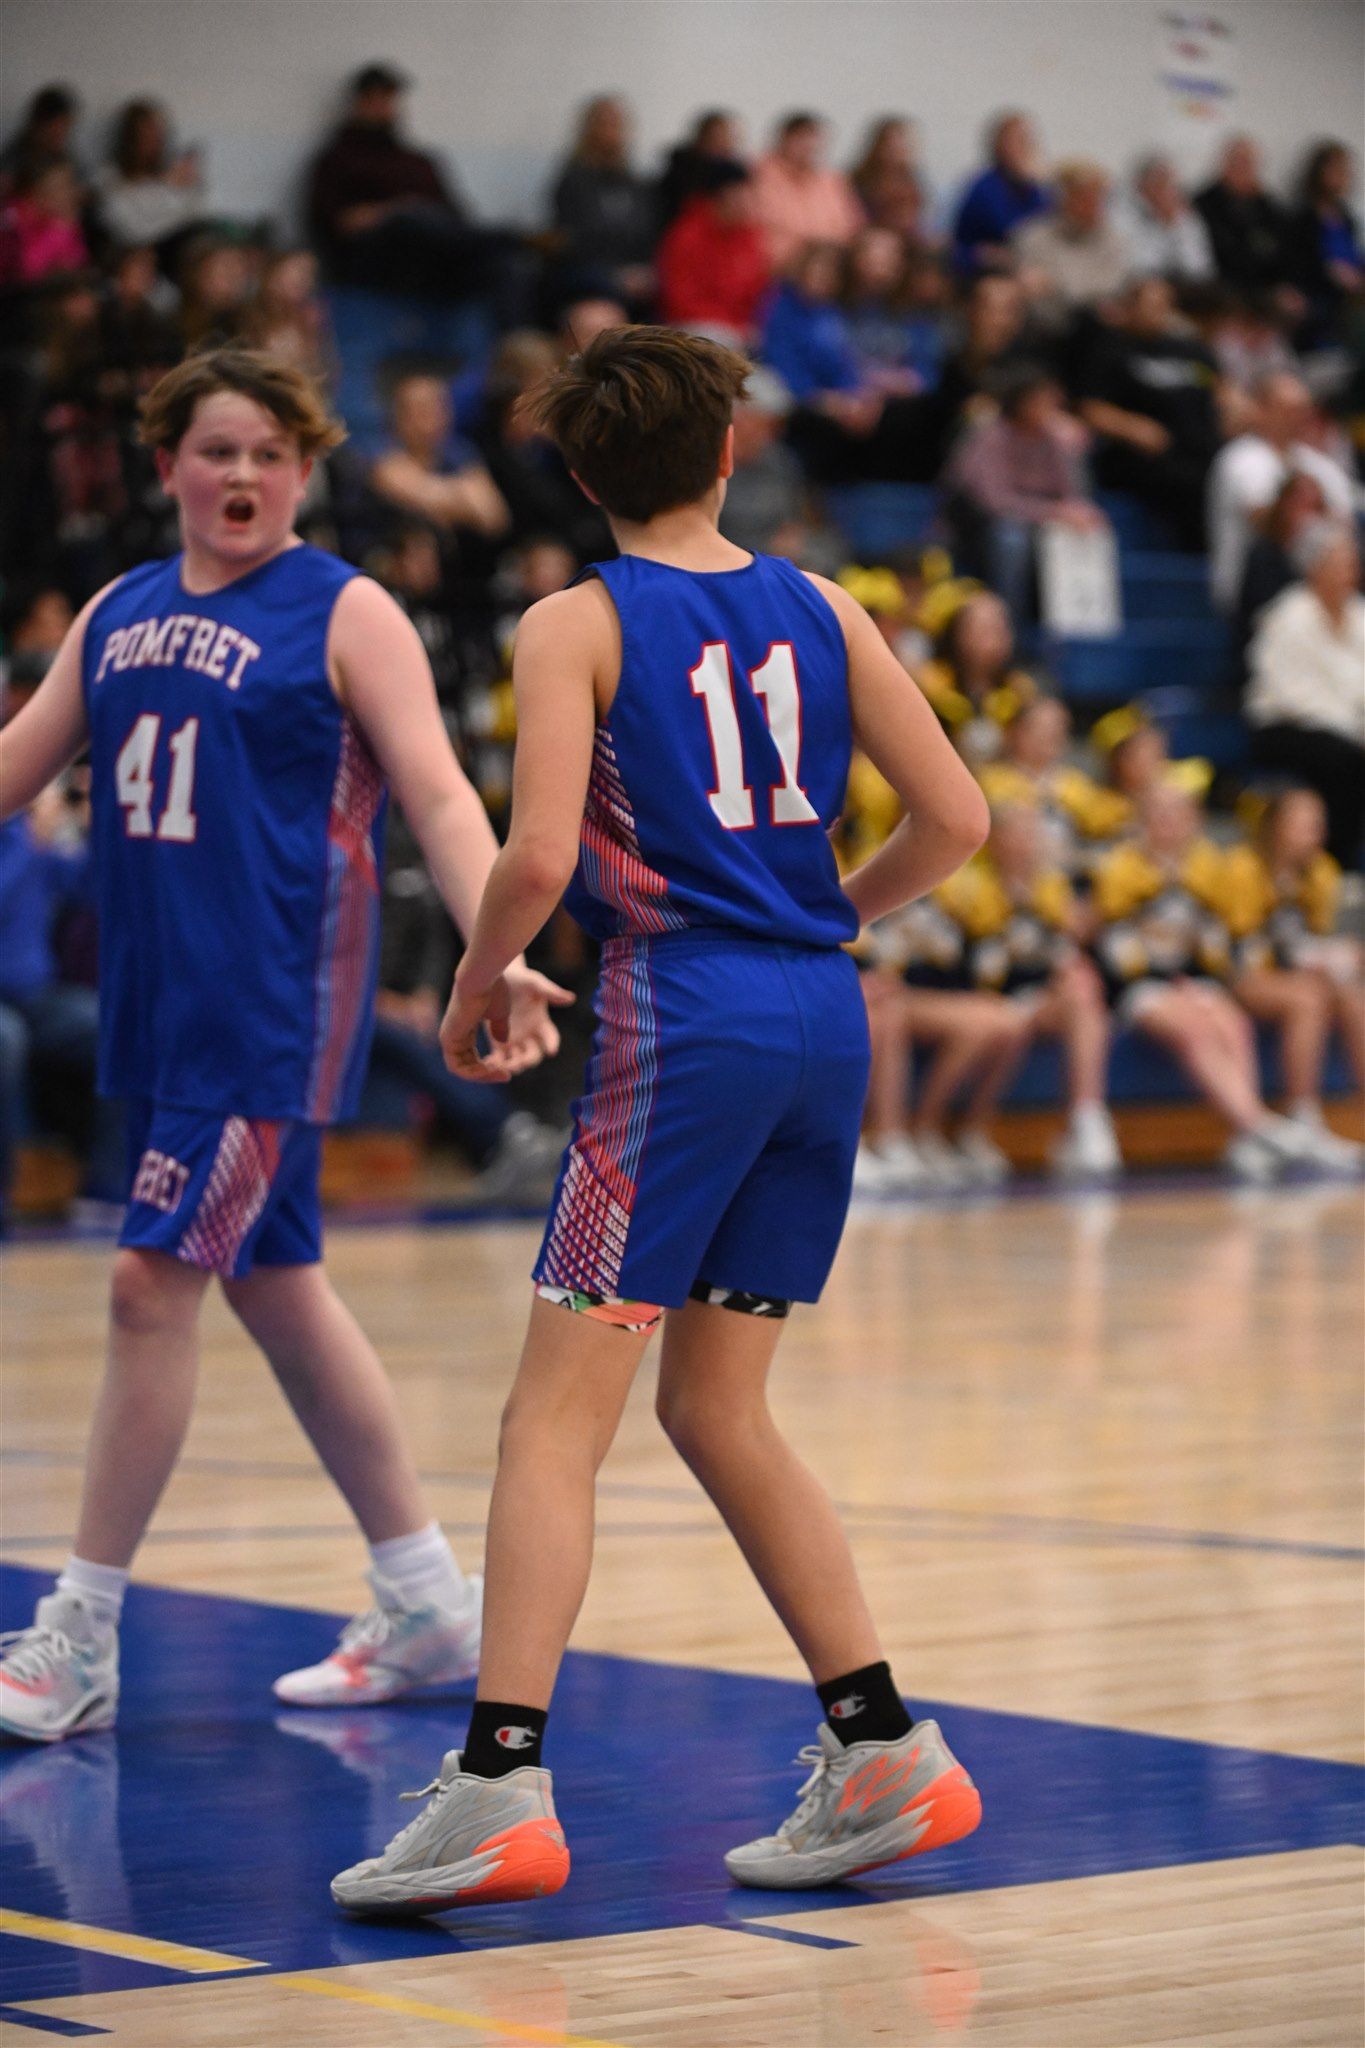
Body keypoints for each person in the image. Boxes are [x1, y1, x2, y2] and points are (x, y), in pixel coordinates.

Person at [330, 324, 989, 1915]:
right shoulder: (825, 606)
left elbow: (539, 857)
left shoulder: (575, 620)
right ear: (729, 451)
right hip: (819, 1022)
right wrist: (820, 918)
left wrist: (477, 979)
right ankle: (883, 1746)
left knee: (551, 1422)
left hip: (682, 1023)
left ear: (574, 473)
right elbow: (959, 818)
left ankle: (498, 1783)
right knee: (716, 1407)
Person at [0, 348, 571, 1742]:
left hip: (269, 1003)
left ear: (307, 470)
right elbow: (15, 766)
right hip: (160, 1007)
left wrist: (498, 949)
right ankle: (425, 1597)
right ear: (167, 467)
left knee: (147, 1288)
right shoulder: (120, 610)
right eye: (216, 450)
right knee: (276, 1287)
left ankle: (80, 1632)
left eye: (269, 452)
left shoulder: (345, 608)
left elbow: (441, 795)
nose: (242, 474)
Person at [1090, 784, 1322, 1180]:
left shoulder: (1208, 868)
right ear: (1142, 820)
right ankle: (1258, 1125)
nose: (1168, 824)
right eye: (1159, 814)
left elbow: (1217, 942)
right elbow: (1113, 946)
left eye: (1177, 814)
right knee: (1194, 1029)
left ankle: (1246, 1140)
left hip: (1192, 979)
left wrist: (1199, 970)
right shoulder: (1119, 867)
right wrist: (1164, 973)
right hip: (1139, 987)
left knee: (1233, 1022)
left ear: (1193, 821)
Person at [1221, 788, 1363, 1169]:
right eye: (1305, 825)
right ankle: (1303, 1116)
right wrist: (1308, 957)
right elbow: (1239, 948)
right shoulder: (1242, 868)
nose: (1316, 834)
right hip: (1240, 975)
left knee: (1353, 996)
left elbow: (1316, 936)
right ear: (1275, 826)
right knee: (1308, 999)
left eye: (1319, 825)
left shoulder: (1322, 872)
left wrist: (1334, 955)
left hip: (1293, 973)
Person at [1245, 521, 1365, 869]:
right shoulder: (1288, 615)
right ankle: (1337, 863)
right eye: (1340, 564)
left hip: (1348, 728)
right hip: (1285, 725)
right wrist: (1354, 731)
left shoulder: (1359, 614)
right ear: (1315, 568)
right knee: (1343, 760)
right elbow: (1291, 694)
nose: (1349, 573)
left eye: (1352, 564)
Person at [1077, 274, 1223, 550]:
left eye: (1165, 304)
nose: (1160, 311)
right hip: (1144, 454)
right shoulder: (1111, 350)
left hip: (1200, 449)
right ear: (1130, 307)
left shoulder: (1192, 352)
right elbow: (1091, 409)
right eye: (1152, 304)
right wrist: (1133, 427)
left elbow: (1220, 389)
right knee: (1193, 482)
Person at [1204, 371, 1358, 610]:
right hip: (1254, 597)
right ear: (1260, 410)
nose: (1298, 418)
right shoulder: (1240, 458)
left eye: (1303, 409)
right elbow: (1268, 524)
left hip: (1321, 597)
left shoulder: (1322, 466)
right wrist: (1311, 510)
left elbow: (1345, 524)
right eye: (1288, 409)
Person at [548, 96, 657, 309]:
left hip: (635, 271)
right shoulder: (573, 181)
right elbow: (572, 240)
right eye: (603, 124)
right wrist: (615, 273)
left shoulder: (638, 185)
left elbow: (647, 234)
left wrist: (642, 269)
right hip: (588, 275)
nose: (610, 133)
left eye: (616, 125)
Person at [655, 159, 771, 344]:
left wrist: (750, 324)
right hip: (693, 327)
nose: (746, 202)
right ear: (719, 197)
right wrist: (731, 325)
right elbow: (680, 300)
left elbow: (759, 291)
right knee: (720, 339)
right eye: (739, 195)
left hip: (740, 329)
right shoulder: (687, 236)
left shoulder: (750, 237)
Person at [1010, 161, 1133, 331]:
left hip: (1096, 329)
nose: (1091, 206)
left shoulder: (1114, 241)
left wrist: (1054, 287)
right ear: (1062, 200)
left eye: (1097, 198)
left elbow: (1108, 290)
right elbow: (1031, 294)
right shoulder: (1031, 237)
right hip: (1043, 330)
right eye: (1081, 197)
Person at [751, 112, 863, 271]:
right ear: (784, 139)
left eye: (813, 139)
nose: (809, 146)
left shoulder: (832, 180)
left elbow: (851, 228)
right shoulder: (758, 175)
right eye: (801, 138)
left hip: (829, 266)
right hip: (777, 268)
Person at [951, 111, 1049, 275]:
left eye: (1027, 141)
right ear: (998, 146)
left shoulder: (1036, 188)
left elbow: (1050, 223)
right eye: (1017, 142)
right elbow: (1013, 231)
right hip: (980, 269)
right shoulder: (984, 187)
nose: (1024, 148)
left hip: (1022, 264)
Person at [1119, 155, 1215, 282]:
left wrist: (1173, 226)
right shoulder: (1124, 216)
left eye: (1170, 185)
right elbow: (1139, 265)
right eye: (1159, 184)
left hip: (1186, 285)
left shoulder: (1186, 218)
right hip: (1144, 284)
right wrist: (1160, 222)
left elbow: (1199, 268)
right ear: (1141, 186)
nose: (1166, 192)